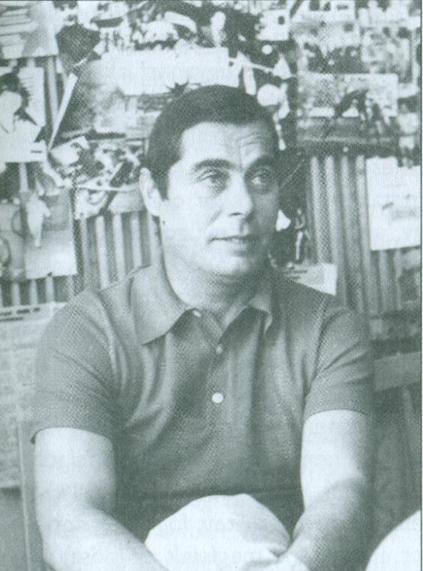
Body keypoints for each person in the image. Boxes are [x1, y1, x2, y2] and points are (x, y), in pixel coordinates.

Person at [33, 85, 374, 571]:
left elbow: (342, 494)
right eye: (214, 177)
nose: (244, 204)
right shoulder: (87, 332)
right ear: (154, 194)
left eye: (261, 177)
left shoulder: (328, 328)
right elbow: (70, 519)